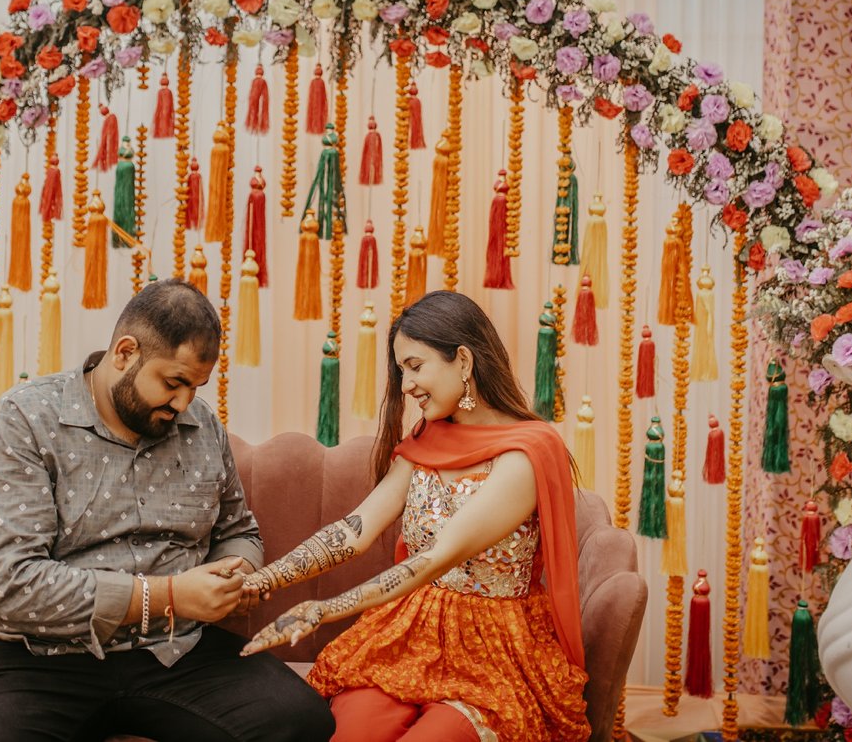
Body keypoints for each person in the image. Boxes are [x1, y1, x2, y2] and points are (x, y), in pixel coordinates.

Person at [0, 279, 334, 742]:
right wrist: (168, 595)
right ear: (125, 353)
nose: (184, 403)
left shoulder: (201, 425)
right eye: (174, 382)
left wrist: (238, 571)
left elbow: (239, 529)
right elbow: (13, 585)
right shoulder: (24, 422)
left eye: (196, 386)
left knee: (301, 720)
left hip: (175, 651)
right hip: (36, 654)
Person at [240, 290, 591, 742]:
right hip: (409, 632)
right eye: (401, 369)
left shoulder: (527, 453)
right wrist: (263, 580)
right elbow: (356, 529)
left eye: (415, 365)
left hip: (492, 650)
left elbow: (439, 555)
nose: (405, 385)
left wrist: (324, 609)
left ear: (463, 361)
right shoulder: (428, 438)